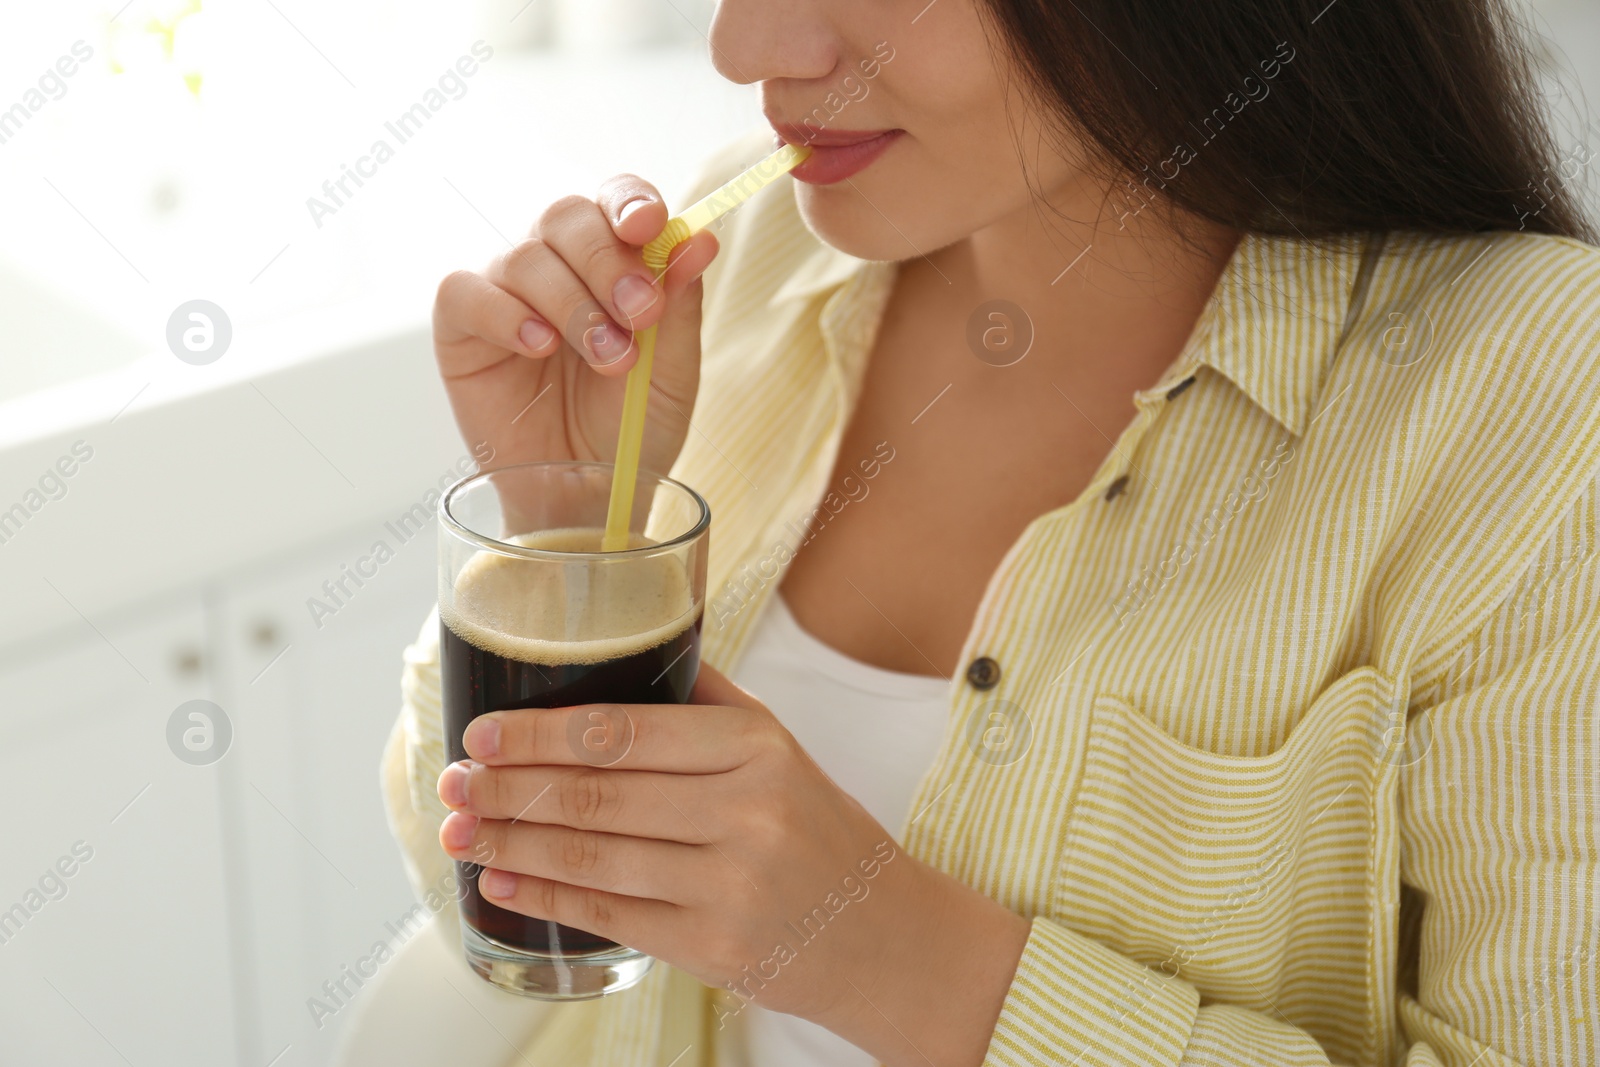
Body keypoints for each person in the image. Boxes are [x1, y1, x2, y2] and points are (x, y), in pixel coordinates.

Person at [380, 1, 1600, 1064]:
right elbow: (490, 914)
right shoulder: (740, 256)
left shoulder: (1538, 397)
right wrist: (575, 537)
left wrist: (883, 950)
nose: (741, 45)